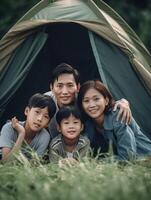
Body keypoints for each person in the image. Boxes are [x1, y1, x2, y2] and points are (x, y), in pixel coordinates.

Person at [46, 63, 132, 139]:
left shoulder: (84, 99)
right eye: (59, 86)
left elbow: (103, 102)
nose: (64, 92)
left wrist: (122, 102)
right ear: (51, 88)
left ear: (78, 87)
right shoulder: (46, 101)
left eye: (70, 85)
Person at [77, 80, 151, 160]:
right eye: (86, 101)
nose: (91, 105)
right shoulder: (88, 124)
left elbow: (128, 157)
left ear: (106, 101)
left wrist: (99, 162)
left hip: (145, 157)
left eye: (96, 99)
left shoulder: (118, 116)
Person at [0, 93, 56, 162]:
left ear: (48, 123)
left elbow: (34, 166)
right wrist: (21, 134)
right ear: (27, 111)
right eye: (37, 112)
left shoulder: (44, 136)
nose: (40, 119)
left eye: (46, 116)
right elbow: (5, 163)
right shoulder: (9, 128)